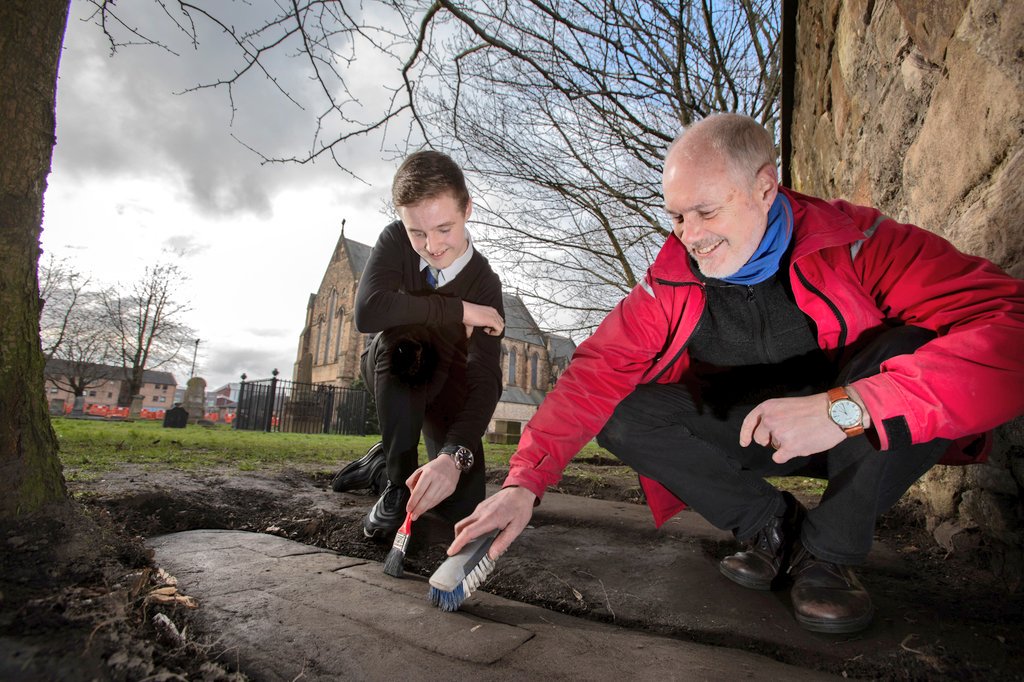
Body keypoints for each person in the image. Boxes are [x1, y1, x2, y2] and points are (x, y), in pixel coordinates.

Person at [448, 113, 1024, 634]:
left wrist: (850, 406)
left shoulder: (861, 244)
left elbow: (1011, 327)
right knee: (622, 412)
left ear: (765, 188)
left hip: (856, 434)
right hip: (752, 435)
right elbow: (592, 374)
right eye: (676, 216)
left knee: (913, 341)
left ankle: (830, 554)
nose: (690, 235)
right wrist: (524, 482)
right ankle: (771, 526)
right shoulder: (669, 281)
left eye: (707, 210)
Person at [332, 150, 505, 539]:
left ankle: (384, 459)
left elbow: (485, 379)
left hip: (447, 391)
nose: (431, 246)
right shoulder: (395, 240)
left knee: (459, 506)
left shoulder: (486, 285)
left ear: (467, 210)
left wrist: (453, 455)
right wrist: (458, 310)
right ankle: (396, 480)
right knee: (408, 339)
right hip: (395, 365)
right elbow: (369, 312)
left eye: (444, 228)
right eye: (418, 232)